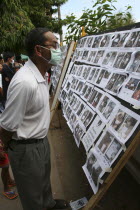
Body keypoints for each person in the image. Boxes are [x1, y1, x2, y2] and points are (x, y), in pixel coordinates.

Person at [0, 28, 69, 210]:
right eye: (54, 45)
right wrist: (5, 145)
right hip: (25, 148)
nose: (58, 49)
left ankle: (49, 204)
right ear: (39, 50)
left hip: (40, 142)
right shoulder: (25, 82)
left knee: (43, 183)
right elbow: (7, 125)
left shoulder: (42, 74)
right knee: (32, 195)